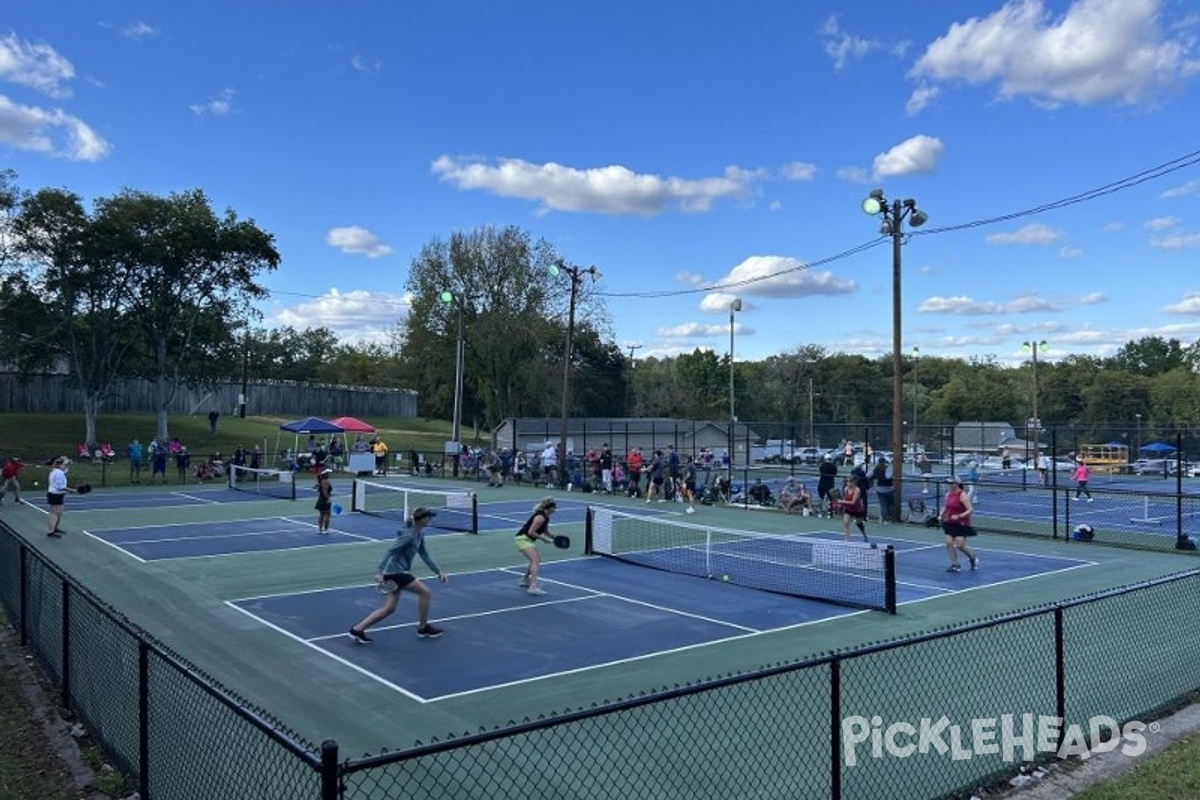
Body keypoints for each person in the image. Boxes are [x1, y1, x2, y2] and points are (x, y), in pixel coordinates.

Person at [348, 507, 447, 643]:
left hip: (396, 573)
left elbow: (424, 555)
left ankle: (357, 630)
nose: (430, 519)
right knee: (425, 593)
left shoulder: (419, 534)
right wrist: (380, 572)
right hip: (396, 573)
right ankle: (422, 627)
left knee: (389, 608)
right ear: (422, 519)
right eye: (428, 517)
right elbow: (391, 551)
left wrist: (438, 572)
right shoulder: (409, 535)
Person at [515, 497, 558, 596]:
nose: (555, 510)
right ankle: (533, 587)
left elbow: (544, 530)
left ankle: (524, 580)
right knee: (535, 560)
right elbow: (531, 532)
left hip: (527, 539)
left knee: (535, 559)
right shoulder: (540, 517)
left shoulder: (546, 517)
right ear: (549, 507)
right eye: (554, 508)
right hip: (522, 539)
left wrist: (552, 537)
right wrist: (544, 539)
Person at [940, 479, 978, 572]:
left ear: (957, 484)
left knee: (960, 545)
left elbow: (970, 509)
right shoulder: (948, 494)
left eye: (951, 483)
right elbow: (946, 506)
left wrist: (959, 516)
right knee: (949, 543)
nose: (949, 485)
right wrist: (941, 515)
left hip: (962, 523)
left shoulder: (963, 495)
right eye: (948, 483)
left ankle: (972, 557)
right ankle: (955, 564)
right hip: (950, 522)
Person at [45, 457, 76, 538]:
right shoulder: (58, 473)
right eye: (65, 465)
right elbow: (60, 486)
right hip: (55, 494)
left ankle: (55, 528)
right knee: (54, 514)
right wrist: (71, 490)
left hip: (57, 494)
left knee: (59, 513)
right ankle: (51, 531)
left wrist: (68, 461)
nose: (66, 466)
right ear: (60, 465)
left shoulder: (56, 471)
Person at [840, 474, 868, 542]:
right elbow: (844, 499)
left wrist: (842, 501)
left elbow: (853, 502)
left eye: (849, 482)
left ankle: (864, 534)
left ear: (854, 482)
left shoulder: (857, 490)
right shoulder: (846, 489)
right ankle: (847, 540)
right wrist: (840, 503)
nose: (847, 483)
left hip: (857, 510)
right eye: (847, 482)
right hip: (848, 509)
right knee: (846, 523)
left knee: (859, 524)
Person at [872, 457, 895, 524]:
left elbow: (868, 475)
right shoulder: (887, 468)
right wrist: (893, 473)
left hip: (879, 488)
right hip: (888, 489)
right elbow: (888, 477)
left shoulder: (875, 469)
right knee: (890, 504)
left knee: (883, 505)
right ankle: (889, 518)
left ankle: (884, 519)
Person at [315, 467, 334, 533]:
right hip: (324, 500)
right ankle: (326, 529)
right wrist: (328, 499)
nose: (329, 474)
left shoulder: (322, 481)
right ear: (326, 474)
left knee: (322, 515)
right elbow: (325, 492)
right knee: (327, 514)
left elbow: (319, 490)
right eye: (328, 473)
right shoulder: (326, 482)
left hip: (321, 499)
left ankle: (320, 529)